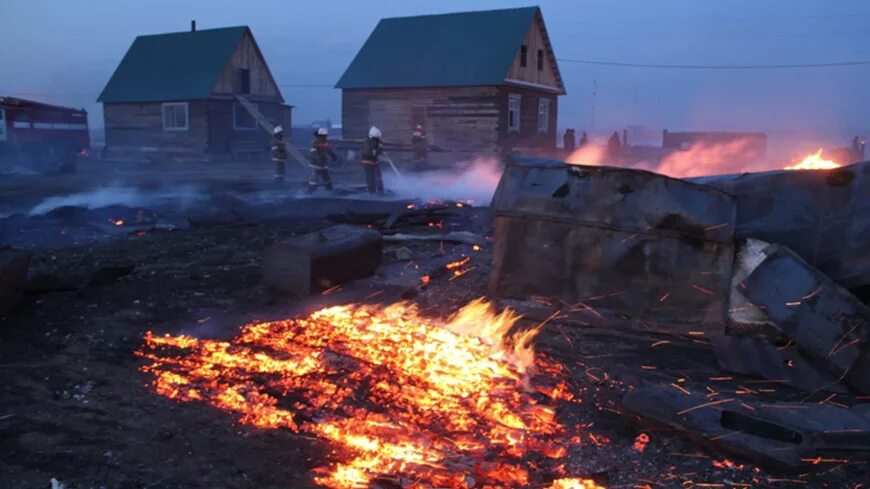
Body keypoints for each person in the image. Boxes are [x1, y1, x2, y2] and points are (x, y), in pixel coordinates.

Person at [307, 127, 337, 192]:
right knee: (315, 177)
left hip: (323, 162)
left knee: (326, 176)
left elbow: (328, 150)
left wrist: (333, 156)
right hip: (316, 163)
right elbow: (313, 152)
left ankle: (329, 189)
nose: (325, 137)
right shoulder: (315, 142)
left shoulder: (325, 142)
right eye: (324, 136)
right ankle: (310, 191)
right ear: (320, 135)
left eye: (326, 136)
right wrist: (318, 158)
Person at [361, 126, 385, 194]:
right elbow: (368, 153)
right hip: (368, 163)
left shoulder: (375, 141)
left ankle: (381, 190)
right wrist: (376, 151)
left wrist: (380, 149)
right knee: (370, 178)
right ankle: (372, 192)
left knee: (378, 177)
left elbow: (377, 150)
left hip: (375, 162)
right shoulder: (367, 143)